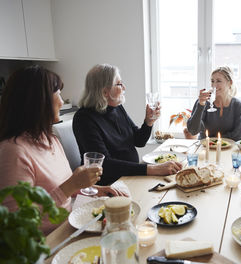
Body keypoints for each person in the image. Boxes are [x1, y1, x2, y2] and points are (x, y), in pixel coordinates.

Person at [0, 65, 125, 235]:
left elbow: (61, 190)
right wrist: (71, 185)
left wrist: (96, 189)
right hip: (48, 242)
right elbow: (18, 224)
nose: (61, 101)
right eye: (58, 93)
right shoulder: (13, 153)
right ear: (38, 100)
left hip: (70, 226)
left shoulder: (50, 140)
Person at [73, 64, 182, 185]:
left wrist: (148, 122)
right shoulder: (84, 119)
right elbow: (105, 165)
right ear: (105, 92)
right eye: (119, 84)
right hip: (110, 184)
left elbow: (138, 141)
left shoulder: (117, 108)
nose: (124, 87)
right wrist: (153, 169)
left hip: (130, 176)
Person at [187, 66, 241, 141]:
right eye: (212, 81)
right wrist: (201, 105)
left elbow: (238, 135)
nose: (214, 85)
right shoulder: (203, 102)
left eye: (218, 81)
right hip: (205, 148)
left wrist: (213, 141)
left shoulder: (238, 105)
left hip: (229, 148)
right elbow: (193, 131)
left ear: (230, 83)